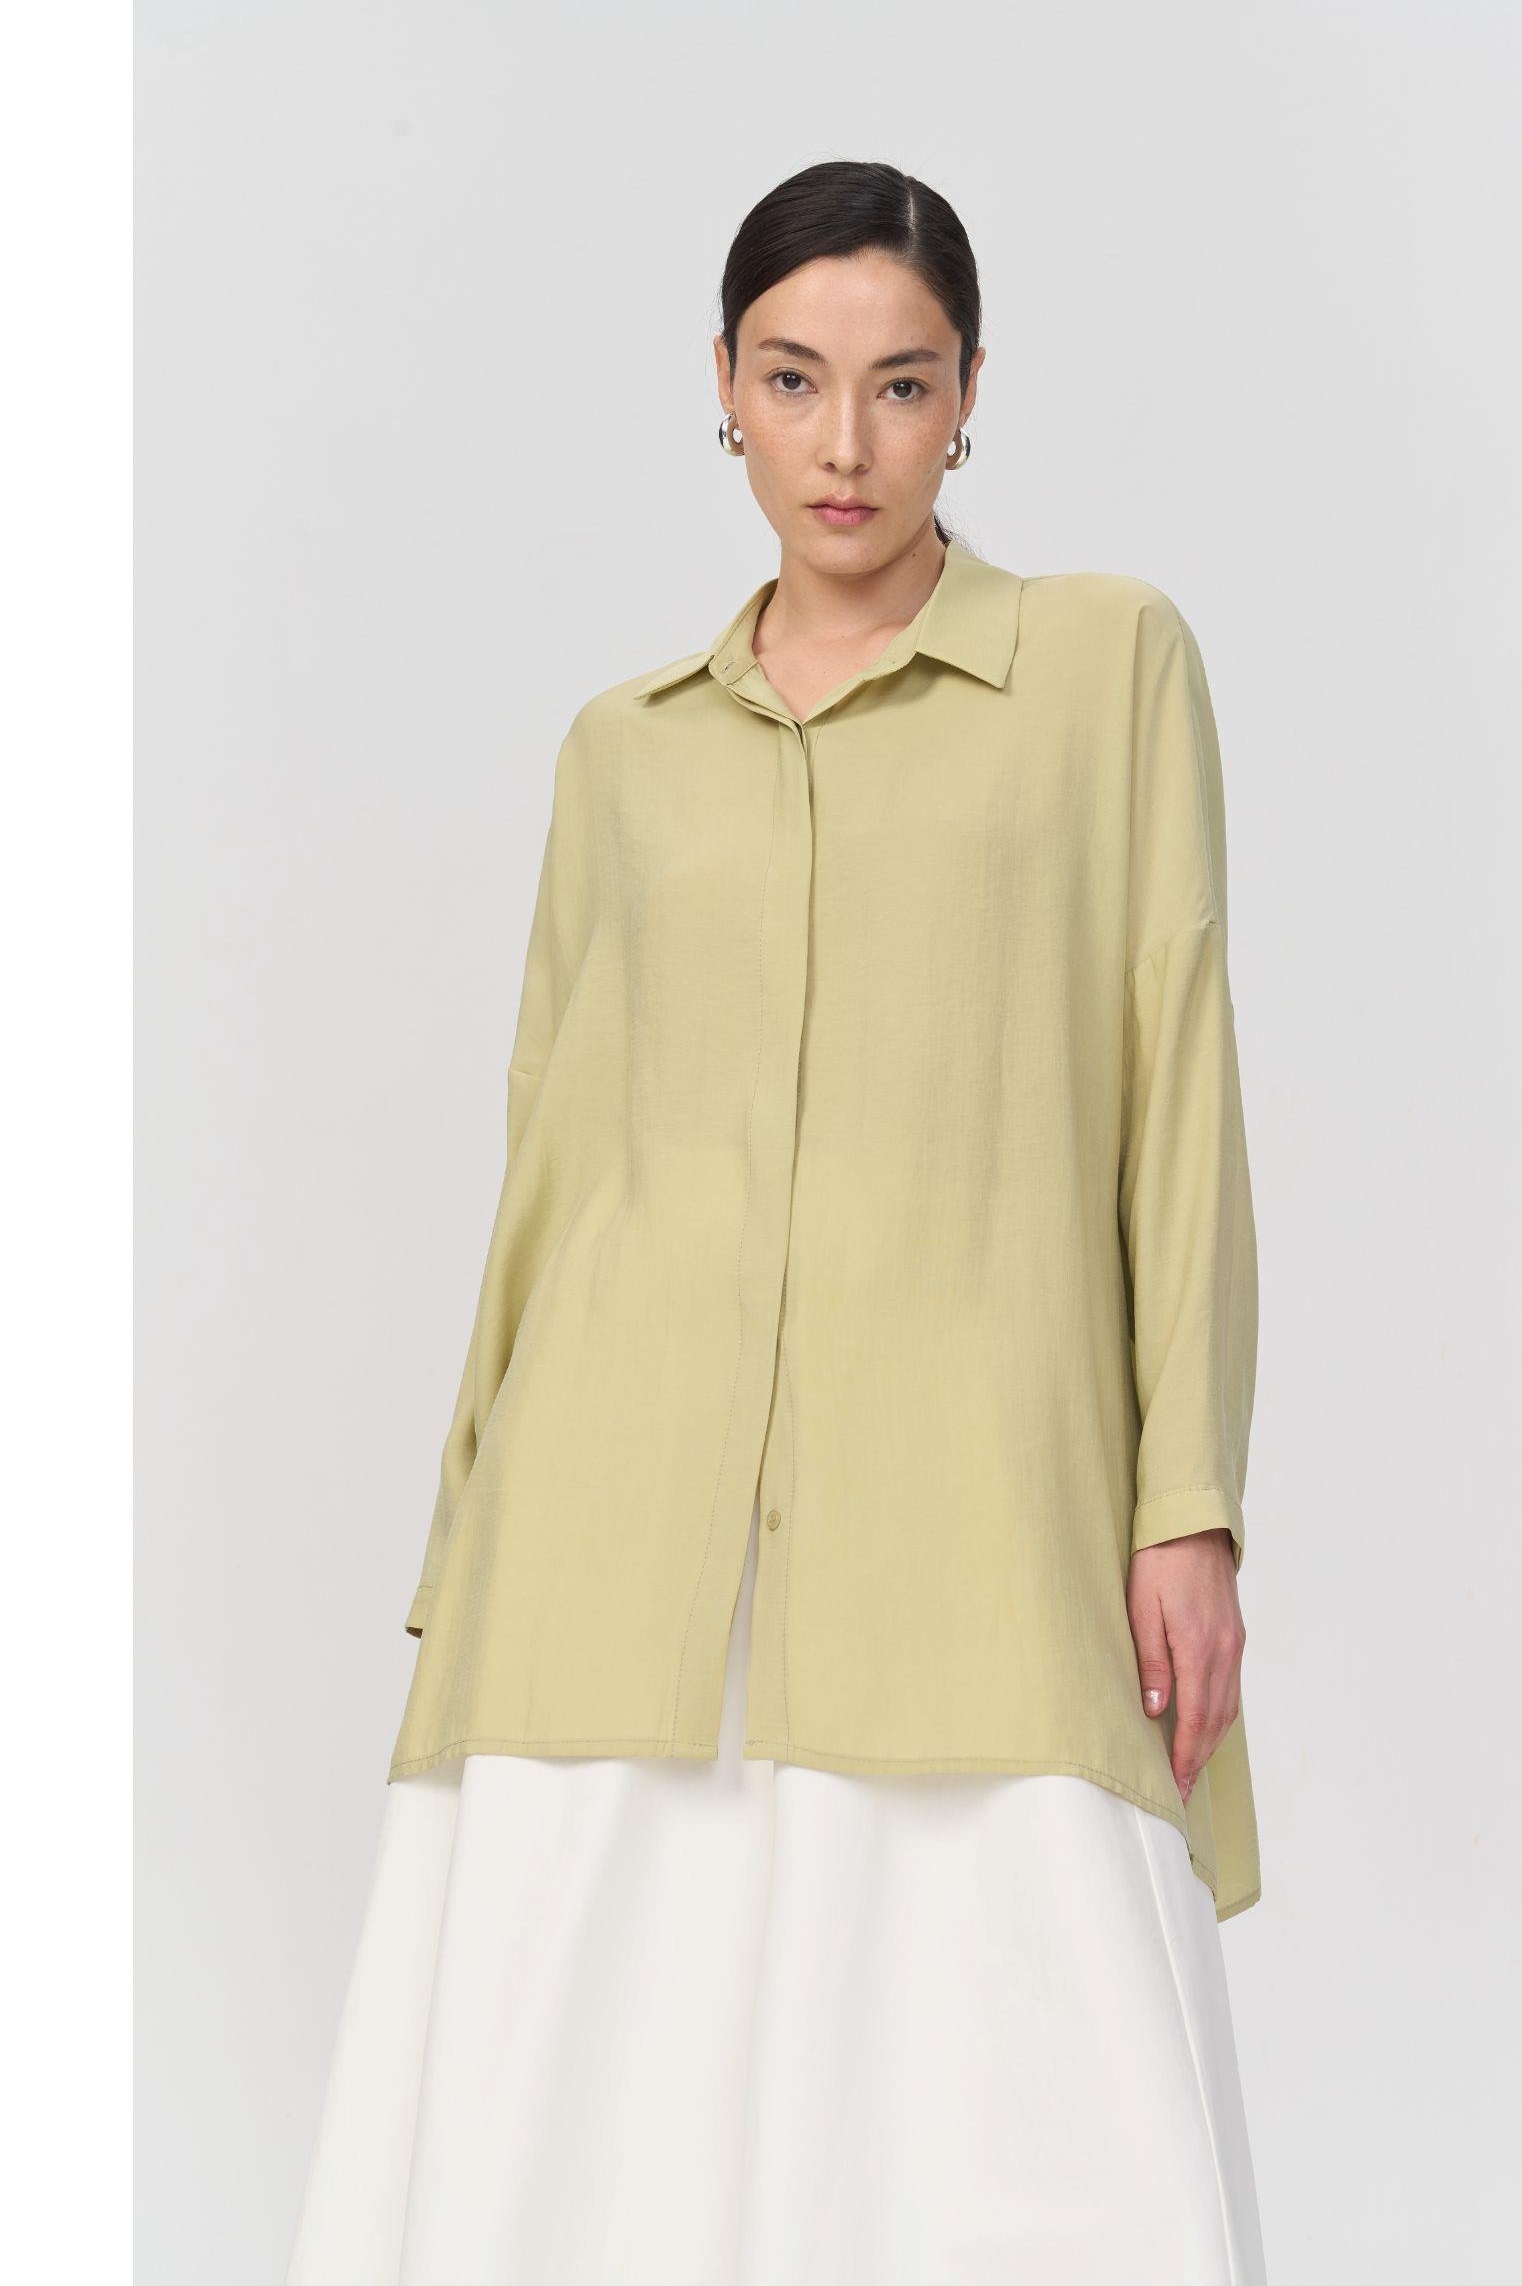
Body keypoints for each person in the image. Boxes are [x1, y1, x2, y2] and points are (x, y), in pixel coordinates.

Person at [285, 158, 1268, 2286]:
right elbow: (554, 1163)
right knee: (573, 2142)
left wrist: (1184, 1498)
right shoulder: (620, 753)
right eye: (793, 378)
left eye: (901, 385)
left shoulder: (1106, 666)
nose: (845, 444)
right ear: (722, 386)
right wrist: (466, 1550)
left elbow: (1177, 1085)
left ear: (971, 395)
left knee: (1039, 2117)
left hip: (976, 1505)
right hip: (609, 1531)